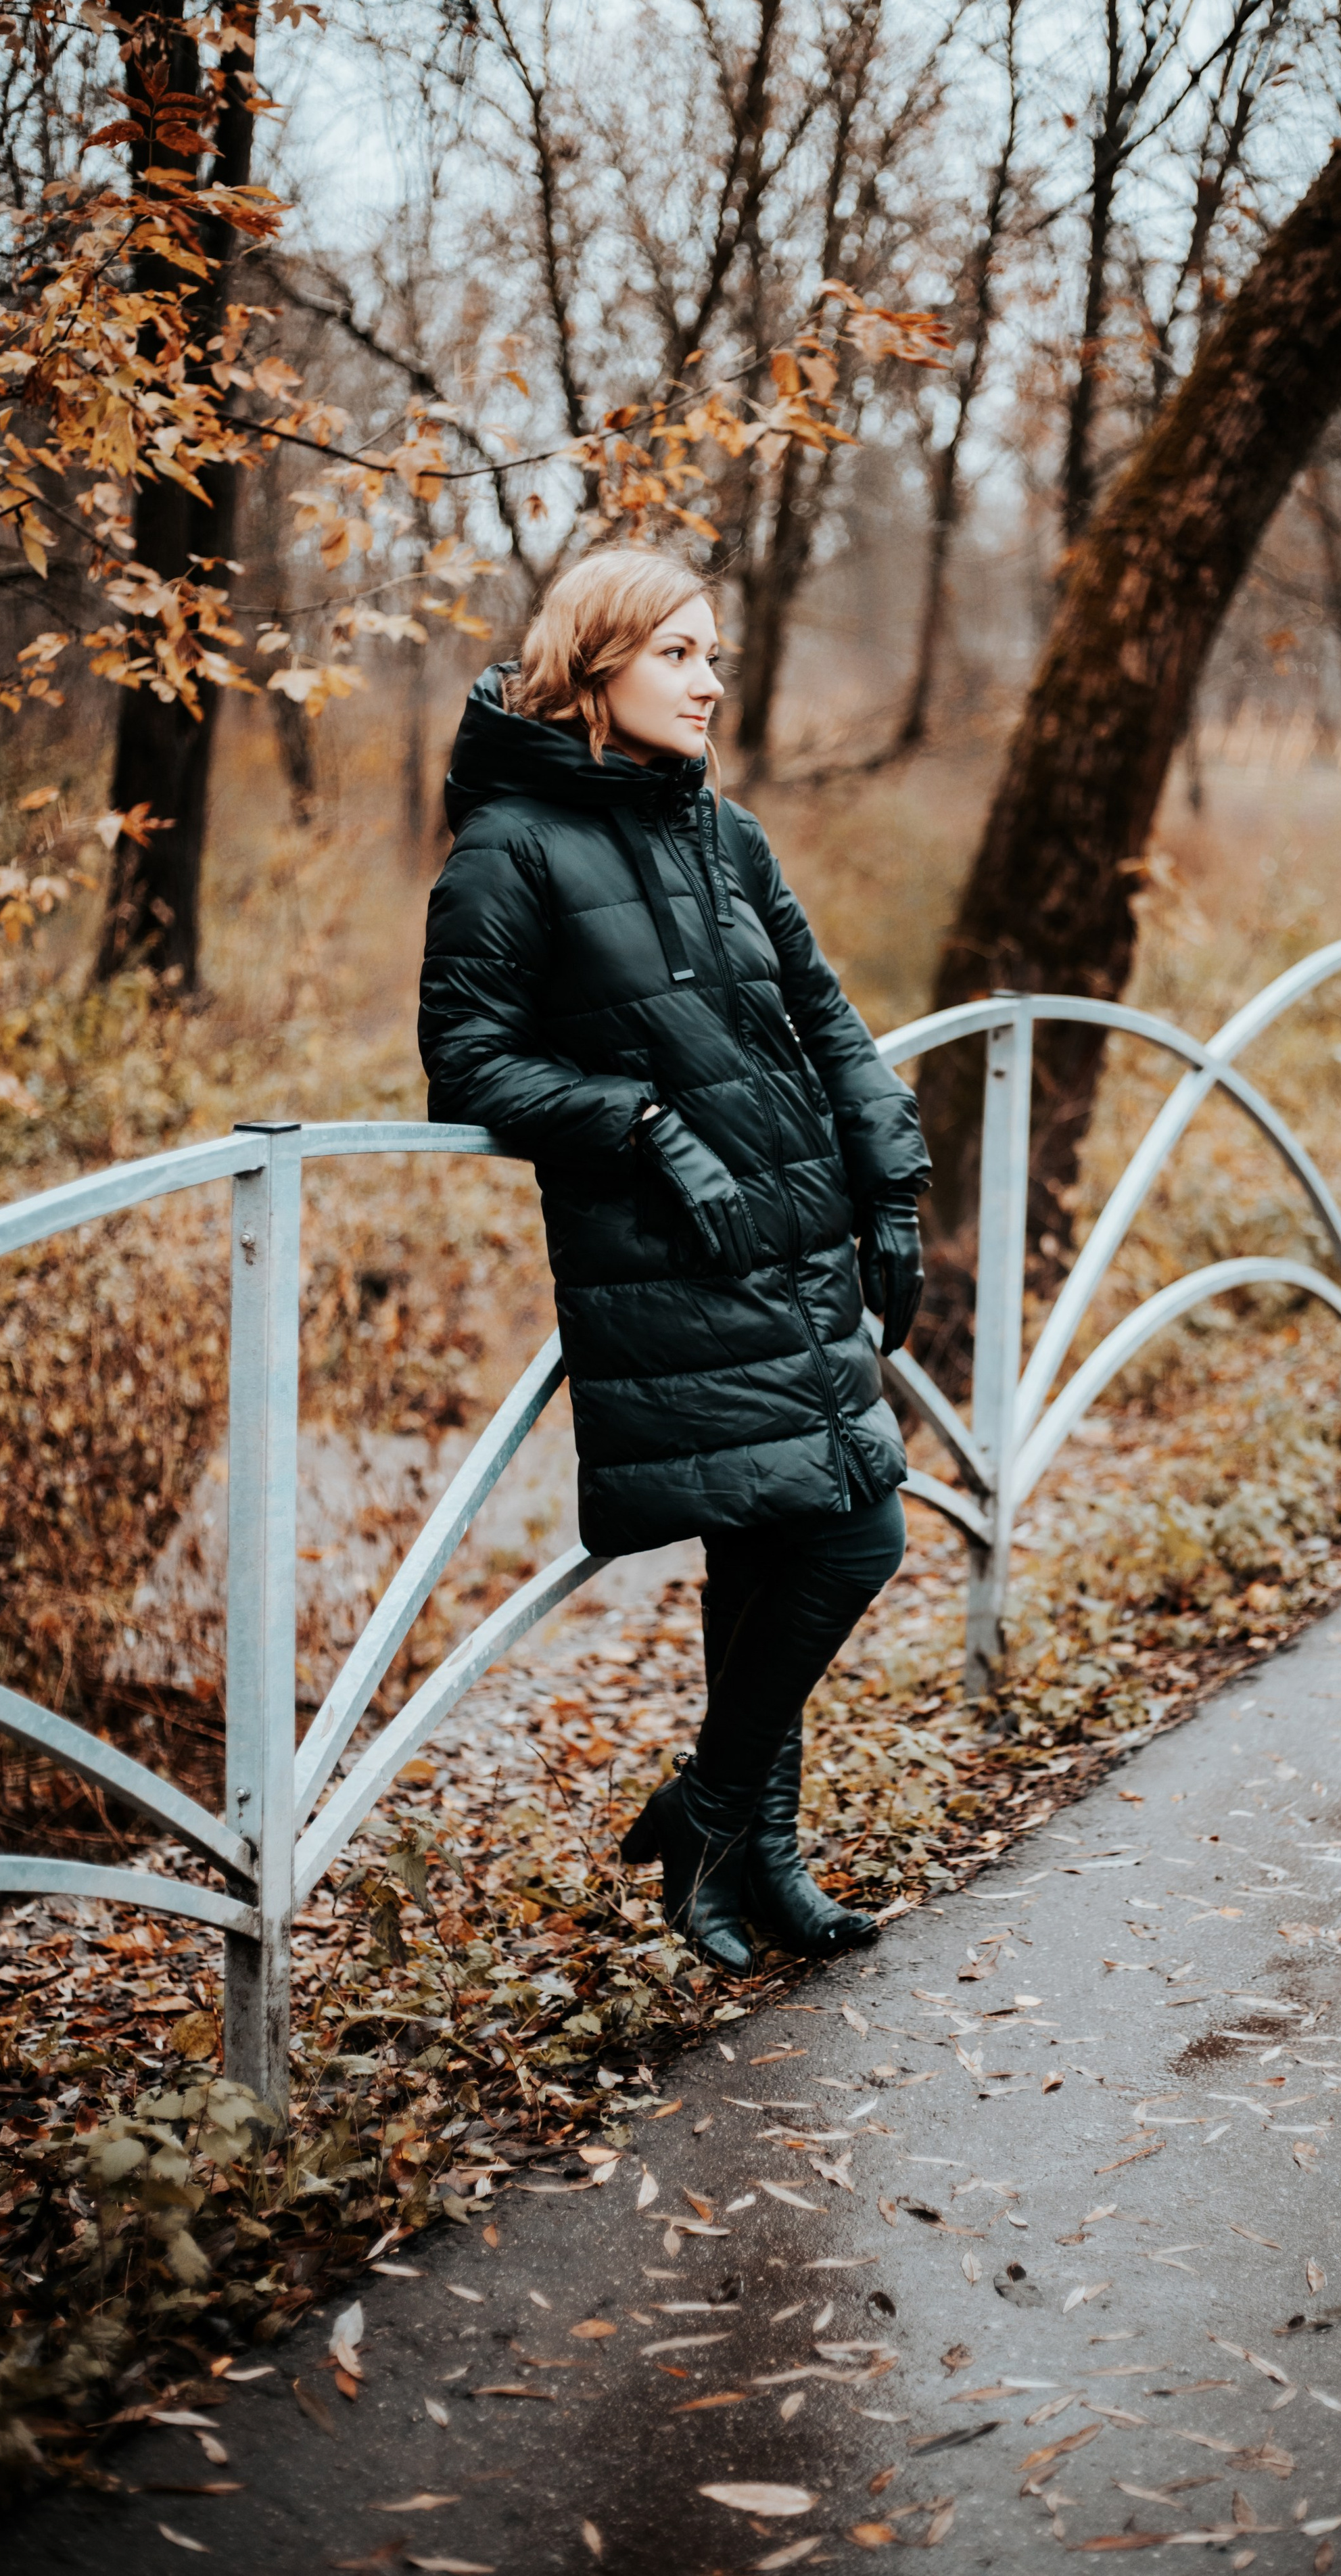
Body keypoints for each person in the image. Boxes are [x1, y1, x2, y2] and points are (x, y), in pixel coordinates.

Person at [418, 546, 930, 1974]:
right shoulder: (508, 848)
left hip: (795, 1239)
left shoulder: (725, 834)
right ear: (597, 665)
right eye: (680, 654)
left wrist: (890, 1182)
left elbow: (825, 1019)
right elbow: (465, 1067)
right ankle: (712, 1817)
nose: (712, 680)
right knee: (853, 1534)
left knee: (772, 1553)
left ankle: (755, 1856)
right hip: (674, 1260)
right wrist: (636, 1121)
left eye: (714, 654)